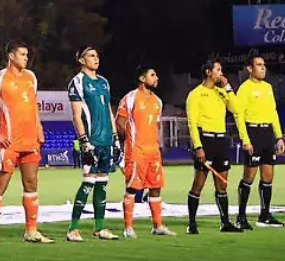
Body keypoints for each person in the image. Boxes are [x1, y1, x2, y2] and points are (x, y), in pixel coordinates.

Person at [0, 41, 52, 245]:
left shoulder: (31, 77)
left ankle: (32, 230)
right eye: (22, 54)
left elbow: (33, 105)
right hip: (9, 143)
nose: (26, 58)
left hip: (31, 142)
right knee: (0, 186)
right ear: (11, 56)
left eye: (27, 54)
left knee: (31, 184)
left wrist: (39, 128)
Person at [65, 47, 121, 241]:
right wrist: (84, 141)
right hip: (91, 141)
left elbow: (108, 111)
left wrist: (115, 138)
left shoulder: (104, 82)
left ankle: (100, 227)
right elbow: (76, 114)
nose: (96, 58)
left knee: (102, 184)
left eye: (97, 55)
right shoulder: (77, 82)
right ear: (81, 60)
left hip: (106, 140)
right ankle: (73, 229)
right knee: (88, 182)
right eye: (91, 55)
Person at [184, 59, 241, 234]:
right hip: (205, 140)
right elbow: (192, 123)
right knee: (198, 184)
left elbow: (237, 109)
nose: (221, 73)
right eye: (218, 70)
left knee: (221, 185)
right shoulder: (196, 94)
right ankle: (192, 224)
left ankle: (225, 223)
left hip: (221, 141)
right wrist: (198, 146)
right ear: (209, 72)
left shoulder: (221, 92)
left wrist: (228, 87)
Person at [117, 64, 173, 238]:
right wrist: (128, 144)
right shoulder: (131, 98)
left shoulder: (158, 101)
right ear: (142, 79)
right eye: (153, 75)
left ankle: (158, 225)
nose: (156, 78)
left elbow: (155, 126)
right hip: (136, 152)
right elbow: (120, 123)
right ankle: (128, 227)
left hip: (153, 152)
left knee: (156, 187)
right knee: (132, 188)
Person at [235, 56, 285, 229]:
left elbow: (273, 113)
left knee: (268, 176)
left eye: (264, 65)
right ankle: (241, 217)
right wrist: (245, 139)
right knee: (249, 177)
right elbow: (239, 116)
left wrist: (279, 136)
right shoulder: (244, 89)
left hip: (267, 134)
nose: (263, 68)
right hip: (253, 132)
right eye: (259, 65)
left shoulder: (268, 88)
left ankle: (265, 215)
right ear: (250, 69)